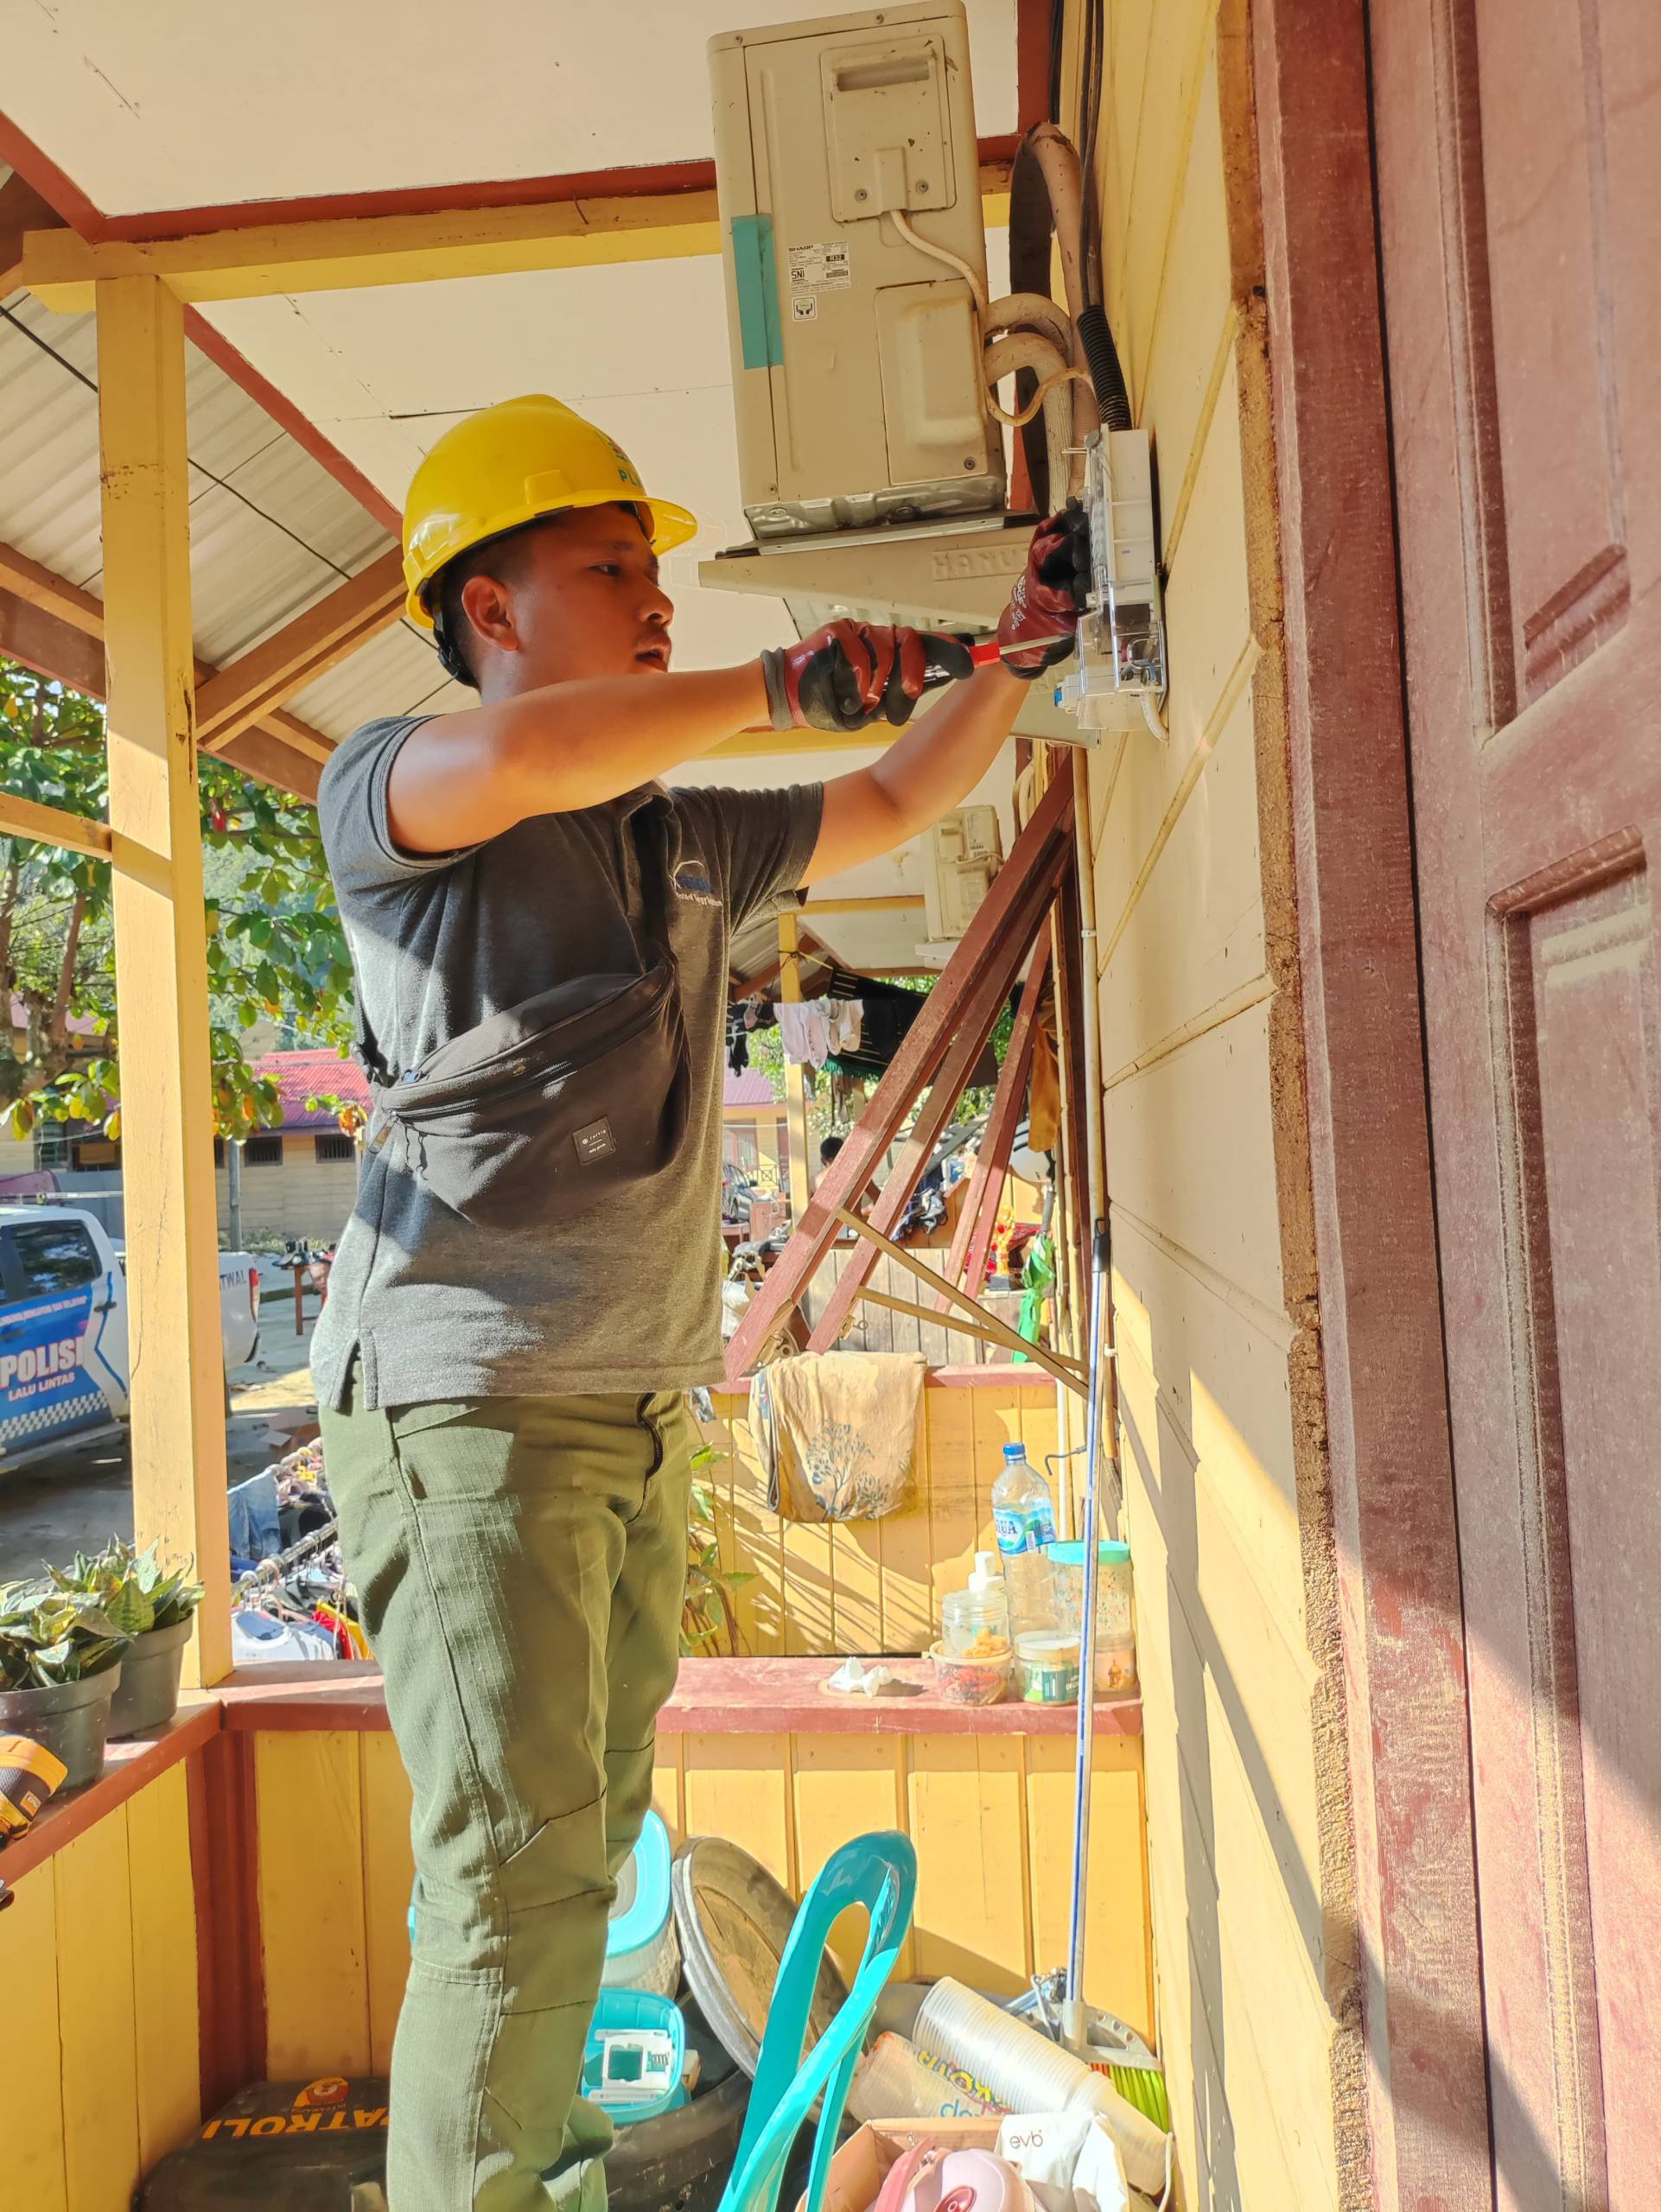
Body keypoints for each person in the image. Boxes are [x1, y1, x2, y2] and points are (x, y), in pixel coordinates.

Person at [311, 394, 1086, 2212]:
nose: (652, 594)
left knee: (577, 1860)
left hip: (630, 1404)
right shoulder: (401, 785)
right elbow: (530, 760)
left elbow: (900, 793)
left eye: (656, 568)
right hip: (466, 1412)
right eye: (606, 567)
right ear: (487, 610)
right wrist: (776, 679)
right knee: (515, 1871)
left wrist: (1020, 650)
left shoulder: (678, 838)